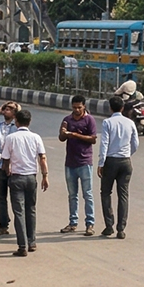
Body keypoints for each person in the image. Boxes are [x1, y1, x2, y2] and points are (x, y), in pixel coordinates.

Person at [0, 108, 48, 257]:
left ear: (16, 121)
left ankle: (22, 246)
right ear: (30, 122)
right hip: (31, 177)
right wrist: (45, 176)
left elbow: (5, 159)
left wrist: (7, 170)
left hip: (17, 177)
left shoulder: (11, 138)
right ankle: (32, 242)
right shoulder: (36, 137)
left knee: (18, 212)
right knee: (31, 209)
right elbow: (42, 158)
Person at [93, 96, 140, 240]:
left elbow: (104, 143)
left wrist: (101, 163)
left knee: (106, 192)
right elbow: (135, 143)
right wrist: (127, 153)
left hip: (111, 161)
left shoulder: (108, 122)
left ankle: (109, 225)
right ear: (122, 108)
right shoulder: (130, 123)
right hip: (125, 161)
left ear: (110, 108)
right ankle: (121, 228)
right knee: (123, 195)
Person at [58, 96, 98, 236]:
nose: (76, 110)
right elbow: (62, 138)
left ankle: (90, 223)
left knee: (87, 194)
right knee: (72, 195)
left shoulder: (89, 120)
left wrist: (74, 134)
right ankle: (73, 222)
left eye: (79, 107)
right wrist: (63, 132)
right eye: (74, 107)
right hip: (70, 162)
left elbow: (93, 139)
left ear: (84, 107)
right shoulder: (67, 120)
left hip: (85, 162)